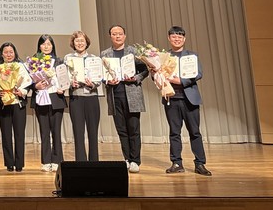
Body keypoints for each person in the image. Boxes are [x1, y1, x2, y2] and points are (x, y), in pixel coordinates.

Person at [158, 26, 211, 176]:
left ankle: (200, 163)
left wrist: (181, 81)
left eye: (180, 37)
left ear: (184, 39)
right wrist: (157, 74)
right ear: (169, 38)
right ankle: (176, 163)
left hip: (190, 99)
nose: (177, 39)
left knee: (195, 132)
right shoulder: (164, 57)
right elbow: (156, 75)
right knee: (174, 132)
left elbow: (198, 74)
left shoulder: (191, 56)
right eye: (174, 37)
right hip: (171, 98)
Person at [100, 24, 148, 174]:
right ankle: (127, 158)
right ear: (110, 36)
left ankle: (135, 160)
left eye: (120, 33)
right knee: (121, 130)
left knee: (134, 129)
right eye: (114, 34)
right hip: (115, 95)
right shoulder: (105, 54)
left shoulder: (133, 51)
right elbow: (102, 75)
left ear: (124, 36)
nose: (117, 36)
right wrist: (107, 80)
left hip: (132, 94)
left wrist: (136, 78)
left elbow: (145, 69)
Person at [31, 34, 67, 173]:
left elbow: (64, 79)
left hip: (56, 98)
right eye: (43, 44)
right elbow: (29, 81)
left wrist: (63, 88)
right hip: (41, 98)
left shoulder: (59, 61)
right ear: (39, 46)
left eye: (49, 44)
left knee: (56, 131)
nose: (46, 46)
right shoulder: (34, 61)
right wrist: (35, 86)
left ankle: (57, 160)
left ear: (52, 46)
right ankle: (46, 161)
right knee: (44, 131)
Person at [64, 30, 101, 161]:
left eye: (82, 41)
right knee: (78, 132)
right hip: (76, 98)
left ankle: (94, 162)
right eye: (77, 41)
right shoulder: (68, 58)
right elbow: (64, 77)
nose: (80, 43)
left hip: (92, 97)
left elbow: (99, 78)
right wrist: (70, 83)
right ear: (73, 43)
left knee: (93, 132)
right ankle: (80, 162)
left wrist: (93, 84)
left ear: (87, 43)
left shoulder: (94, 59)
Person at [0, 41, 29, 172]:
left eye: (11, 52)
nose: (8, 54)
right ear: (1, 54)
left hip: (18, 103)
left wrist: (22, 91)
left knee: (19, 134)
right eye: (6, 52)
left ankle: (19, 163)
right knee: (6, 134)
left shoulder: (21, 66)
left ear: (15, 53)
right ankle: (9, 163)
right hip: (4, 104)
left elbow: (28, 83)